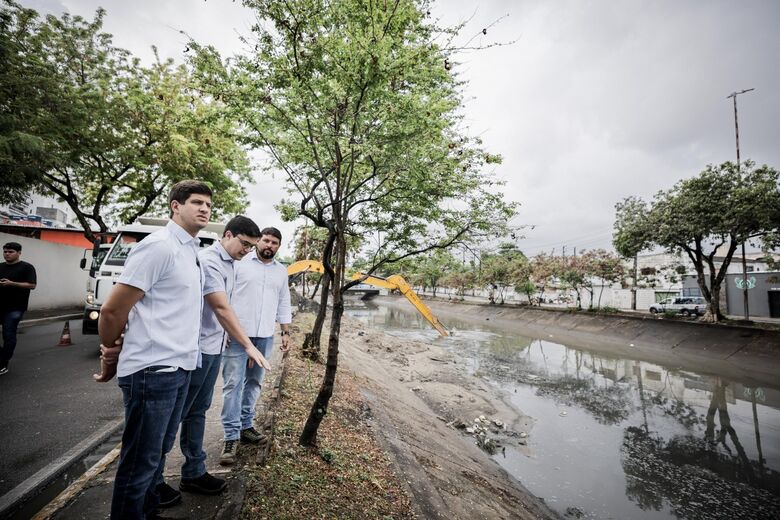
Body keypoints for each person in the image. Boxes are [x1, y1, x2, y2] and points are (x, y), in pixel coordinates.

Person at [94, 180, 212, 519]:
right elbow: (113, 310)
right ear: (175, 206)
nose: (204, 208)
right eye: (196, 202)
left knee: (157, 455)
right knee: (139, 463)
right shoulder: (158, 246)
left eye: (207, 204)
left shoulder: (191, 250)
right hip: (153, 371)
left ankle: (147, 513)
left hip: (179, 368)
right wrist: (110, 348)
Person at [154, 215, 270, 507]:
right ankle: (153, 481)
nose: (246, 251)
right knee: (174, 416)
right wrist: (247, 344)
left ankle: (193, 471)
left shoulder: (233, 264)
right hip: (194, 350)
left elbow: (227, 308)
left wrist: (227, 335)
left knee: (198, 411)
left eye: (250, 247)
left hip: (213, 346)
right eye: (244, 244)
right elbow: (219, 306)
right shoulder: (209, 261)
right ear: (228, 235)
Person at [219, 227, 292, 465]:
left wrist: (285, 331)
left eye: (275, 243)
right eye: (266, 240)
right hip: (238, 336)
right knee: (233, 384)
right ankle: (230, 436)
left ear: (279, 247)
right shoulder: (239, 264)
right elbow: (224, 298)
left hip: (264, 336)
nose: (269, 245)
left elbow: (283, 301)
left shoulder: (281, 272)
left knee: (254, 383)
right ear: (258, 241)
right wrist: (225, 329)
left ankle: (246, 425)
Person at [0, 242, 37, 375]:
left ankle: (3, 363)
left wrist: (11, 283)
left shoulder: (27, 267)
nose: (7, 254)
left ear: (19, 252)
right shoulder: (0, 266)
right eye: (5, 251)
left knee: (8, 334)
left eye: (10, 252)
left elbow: (32, 285)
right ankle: (2, 356)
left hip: (15, 308)